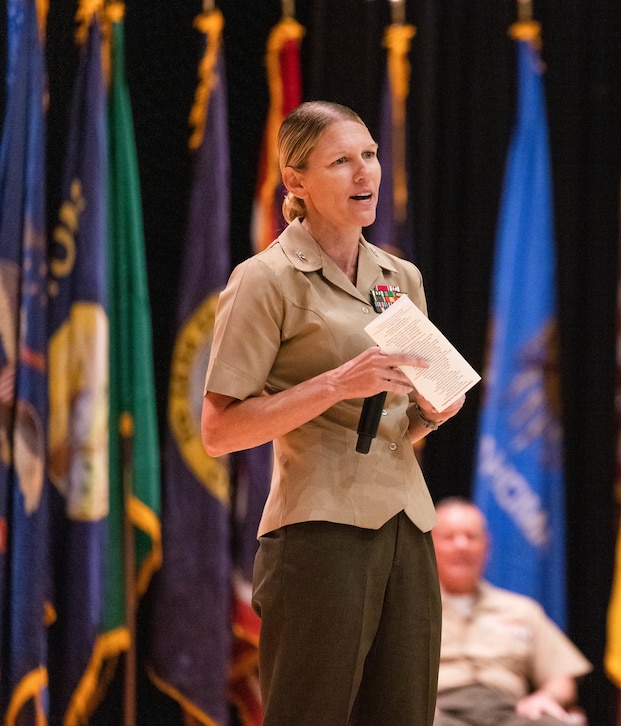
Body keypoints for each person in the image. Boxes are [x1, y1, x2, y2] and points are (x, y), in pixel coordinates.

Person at [201, 100, 464, 726]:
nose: (363, 173)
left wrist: (433, 410)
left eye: (369, 155)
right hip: (318, 532)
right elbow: (218, 431)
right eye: (340, 161)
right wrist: (336, 383)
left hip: (408, 523)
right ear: (296, 182)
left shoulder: (399, 277)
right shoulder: (265, 279)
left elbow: (406, 415)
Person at [431, 497, 592, 726]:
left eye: (471, 537)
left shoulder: (522, 610)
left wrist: (546, 697)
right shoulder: (409, 612)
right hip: (438, 710)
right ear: (430, 545)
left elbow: (561, 678)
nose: (462, 546)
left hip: (509, 713)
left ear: (486, 546)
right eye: (449, 537)